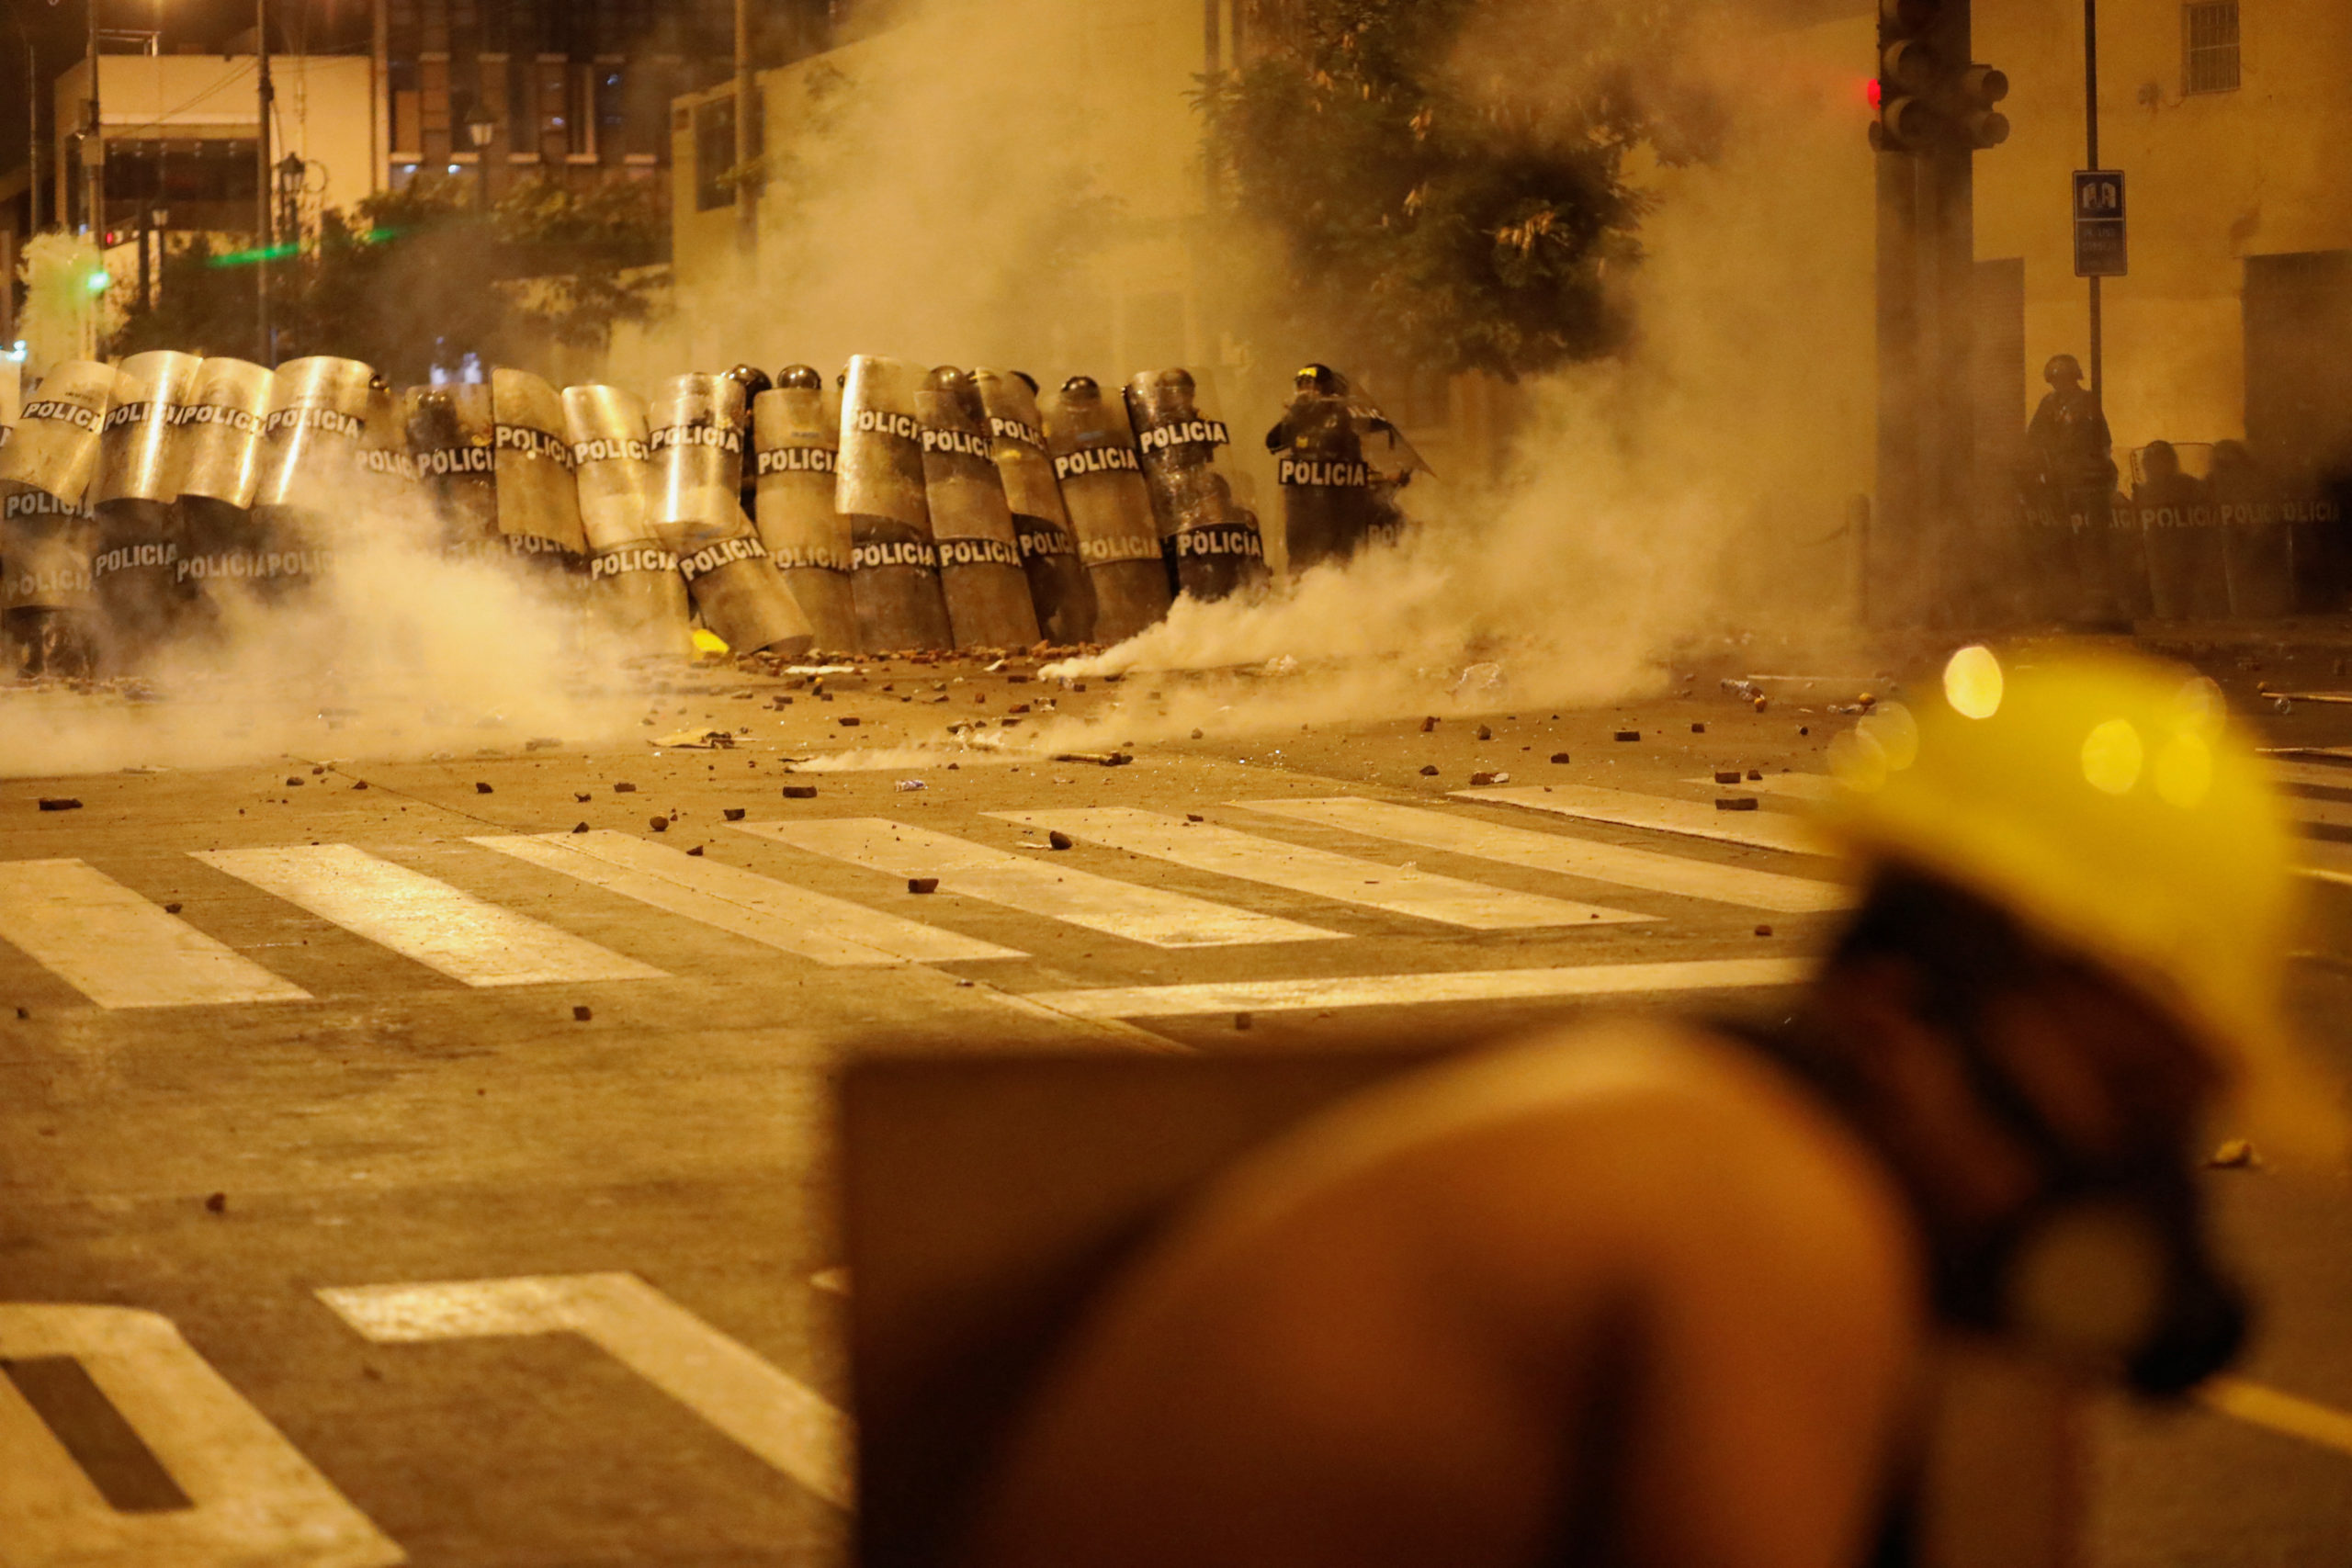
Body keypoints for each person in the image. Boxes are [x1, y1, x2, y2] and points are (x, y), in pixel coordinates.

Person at [958, 647, 2343, 1568]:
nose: (2134, 1171)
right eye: (2122, 1088)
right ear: (1894, 1014)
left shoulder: (1707, 1124)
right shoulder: (1767, 1215)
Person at [2027, 355, 2123, 624]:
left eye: (2065, 378)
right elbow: (2033, 439)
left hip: (2084, 484)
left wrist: (2091, 472)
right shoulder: (2048, 405)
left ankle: (2096, 601)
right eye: (2056, 379)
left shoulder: (2087, 403)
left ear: (2074, 377)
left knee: (2089, 541)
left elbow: (2102, 440)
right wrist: (2042, 468)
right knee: (2059, 542)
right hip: (2058, 484)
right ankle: (2066, 602)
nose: (2061, 383)